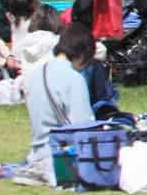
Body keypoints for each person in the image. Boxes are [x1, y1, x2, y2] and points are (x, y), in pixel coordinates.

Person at [20, 23, 96, 180]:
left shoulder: (36, 74)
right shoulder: (74, 79)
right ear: (82, 55)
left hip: (35, 155)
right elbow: (83, 126)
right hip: (61, 159)